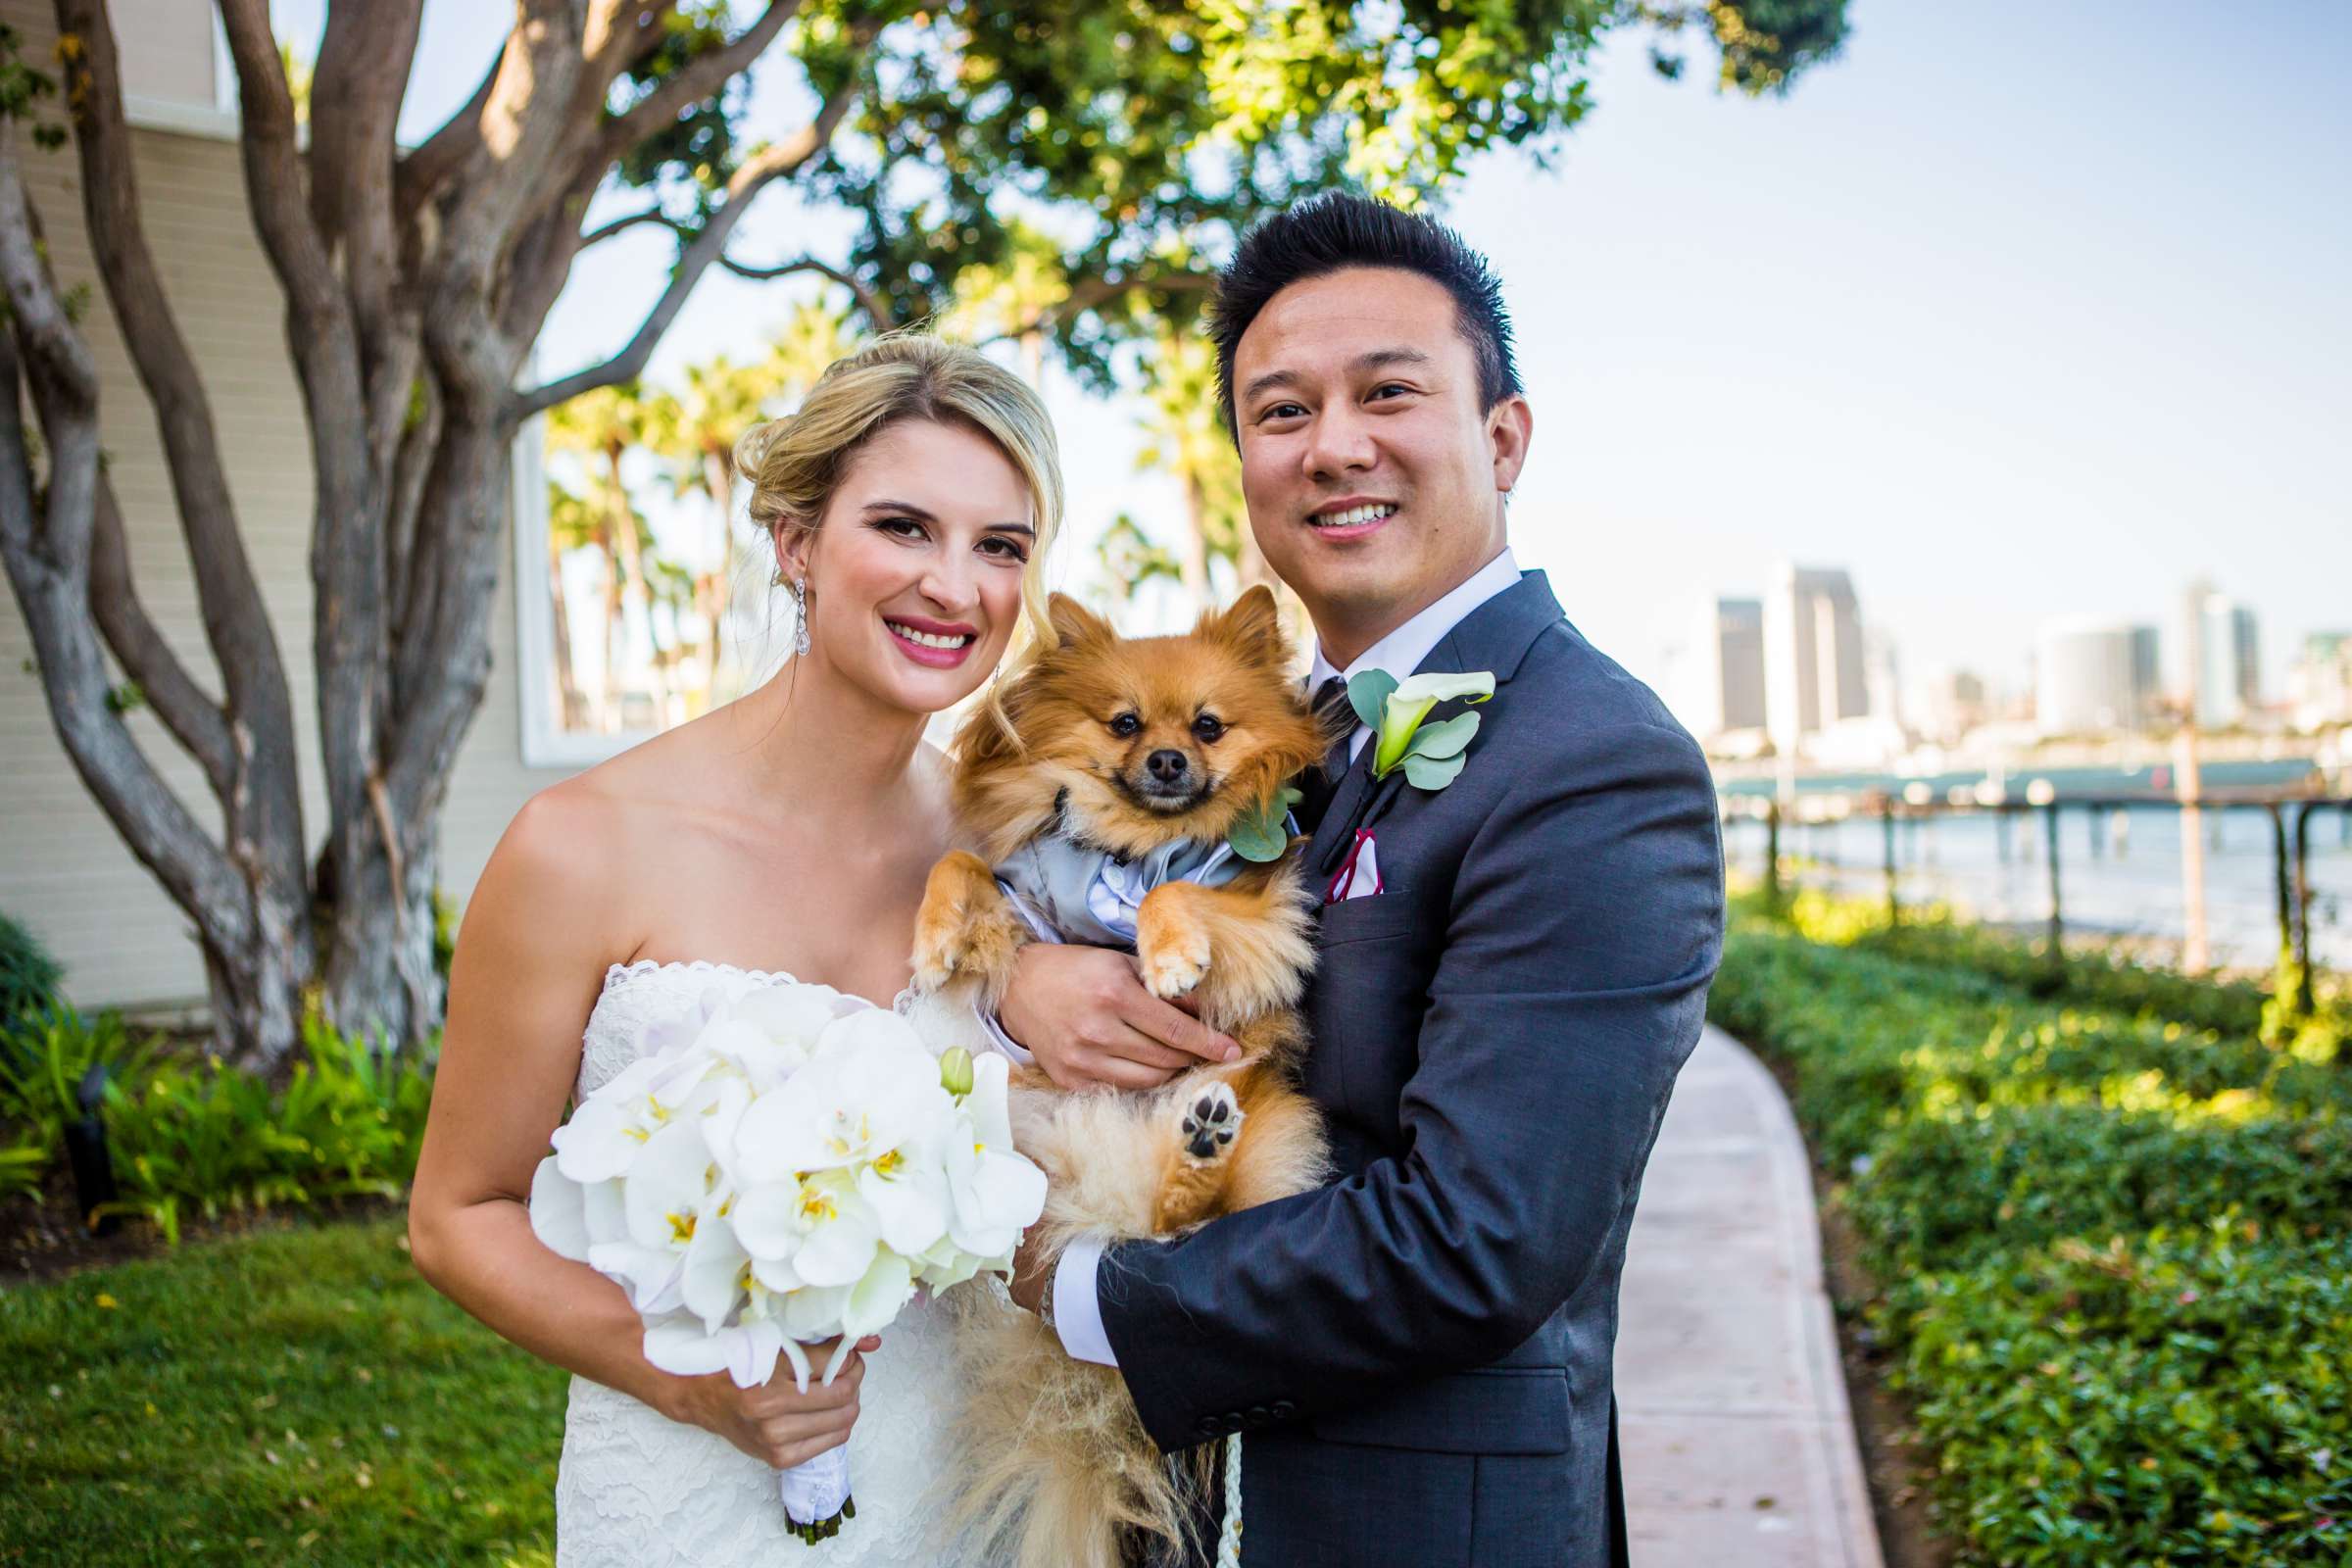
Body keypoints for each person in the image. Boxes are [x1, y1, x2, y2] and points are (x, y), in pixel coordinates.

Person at [999, 193, 1727, 1566]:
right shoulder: (1252, 736)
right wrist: (1032, 979)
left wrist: (1085, 1289)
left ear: (1503, 437)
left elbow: (1479, 1236)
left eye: (1387, 393)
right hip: (1159, 1505)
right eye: (1280, 413)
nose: (1334, 446)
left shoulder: (1595, 761)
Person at [407, 334, 1178, 1566]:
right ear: (796, 539)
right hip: (687, 1491)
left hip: (966, 1487)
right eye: (904, 527)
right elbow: (458, 1215)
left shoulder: (1013, 858)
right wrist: (686, 1377)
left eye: (1000, 547)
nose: (955, 585)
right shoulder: (581, 844)